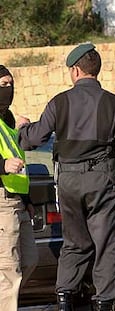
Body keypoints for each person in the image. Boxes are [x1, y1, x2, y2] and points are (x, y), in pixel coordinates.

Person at [17, 43, 115, 311]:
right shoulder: (113, 103)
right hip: (101, 181)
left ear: (75, 71)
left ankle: (64, 298)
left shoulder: (59, 102)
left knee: (74, 242)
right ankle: (104, 302)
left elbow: (34, 138)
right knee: (106, 243)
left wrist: (21, 130)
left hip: (68, 183)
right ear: (96, 70)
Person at [0, 65, 38, 311]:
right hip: (2, 201)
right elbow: (9, 160)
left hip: (18, 201)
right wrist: (2, 165)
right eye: (3, 84)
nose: (9, 89)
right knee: (8, 268)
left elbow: (20, 158)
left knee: (29, 261)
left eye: (10, 84)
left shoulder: (9, 118)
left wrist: (28, 199)